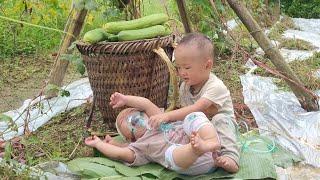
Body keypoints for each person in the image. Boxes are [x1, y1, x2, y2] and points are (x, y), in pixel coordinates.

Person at [148, 33, 240, 173]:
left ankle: (230, 157)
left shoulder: (215, 86)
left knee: (220, 120)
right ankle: (194, 153)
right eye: (179, 68)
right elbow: (187, 113)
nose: (182, 73)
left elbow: (197, 108)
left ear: (207, 65)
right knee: (182, 125)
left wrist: (167, 116)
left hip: (219, 127)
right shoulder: (185, 86)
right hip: (202, 130)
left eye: (187, 68)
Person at [84, 92, 221, 176]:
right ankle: (195, 149)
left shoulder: (157, 119)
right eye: (125, 121)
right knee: (170, 155)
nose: (132, 117)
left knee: (193, 117)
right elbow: (120, 153)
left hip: (210, 147)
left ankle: (211, 140)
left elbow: (146, 103)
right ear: (129, 137)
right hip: (193, 162)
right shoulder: (139, 147)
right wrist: (99, 143)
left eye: (135, 112)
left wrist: (125, 100)